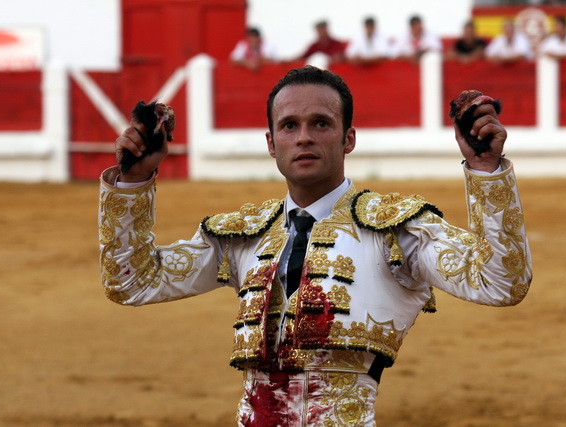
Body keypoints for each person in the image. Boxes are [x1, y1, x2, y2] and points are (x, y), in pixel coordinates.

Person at [99, 66, 533, 425]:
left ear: (348, 139)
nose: (303, 137)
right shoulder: (242, 234)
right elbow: (133, 282)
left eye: (320, 124)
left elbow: (500, 282)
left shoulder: (397, 230)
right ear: (272, 144)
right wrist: (133, 183)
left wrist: (485, 172)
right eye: (289, 126)